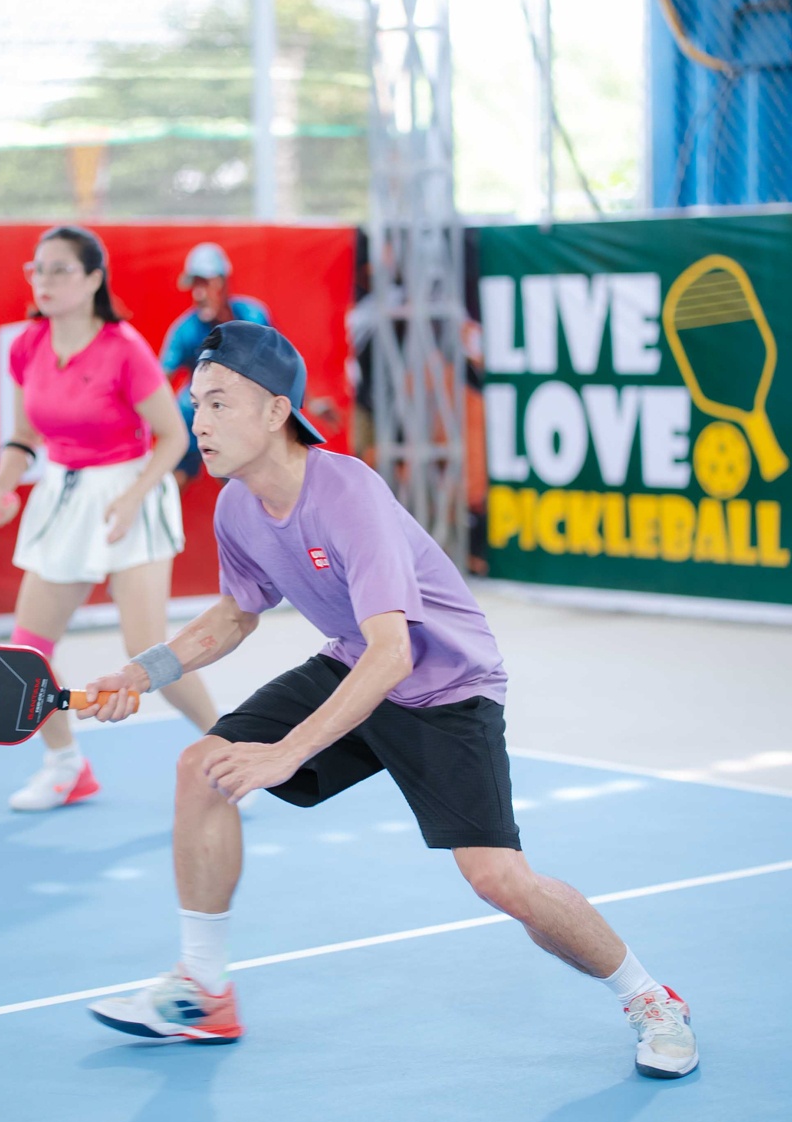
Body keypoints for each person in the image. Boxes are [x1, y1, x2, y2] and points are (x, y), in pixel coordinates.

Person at [77, 321, 698, 1080]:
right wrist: (140, 672)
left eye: (218, 403)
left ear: (275, 412)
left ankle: (650, 998)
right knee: (201, 765)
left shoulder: (347, 492)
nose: (198, 421)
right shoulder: (237, 506)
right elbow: (238, 613)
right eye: (195, 403)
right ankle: (204, 989)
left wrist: (286, 753)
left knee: (500, 880)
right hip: (356, 661)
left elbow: (396, 652)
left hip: (445, 686)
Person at [0, 224, 218, 812]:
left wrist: (133, 496)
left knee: (148, 652)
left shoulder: (125, 349)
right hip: (63, 494)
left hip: (131, 490)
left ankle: (232, 746)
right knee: (26, 651)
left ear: (92, 280)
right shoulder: (27, 346)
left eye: (60, 269)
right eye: (37, 269)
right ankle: (66, 765)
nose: (45, 280)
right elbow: (23, 435)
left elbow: (173, 435)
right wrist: (1, 487)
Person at [159, 242, 271, 490]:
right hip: (193, 413)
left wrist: (309, 403)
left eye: (205, 283)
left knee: (247, 484)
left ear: (223, 283)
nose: (198, 294)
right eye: (194, 285)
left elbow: (280, 366)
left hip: (239, 416)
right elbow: (158, 384)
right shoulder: (185, 330)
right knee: (172, 480)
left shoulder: (253, 317)